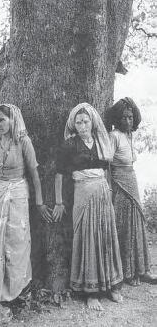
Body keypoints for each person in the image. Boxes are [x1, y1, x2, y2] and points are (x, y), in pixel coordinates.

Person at [0, 104, 50, 320]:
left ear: (13, 120)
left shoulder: (23, 141)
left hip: (17, 193)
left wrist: (39, 201)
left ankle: (14, 295)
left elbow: (34, 173)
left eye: (2, 120)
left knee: (15, 243)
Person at [54, 103, 123, 311]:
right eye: (78, 122)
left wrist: (109, 191)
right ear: (73, 124)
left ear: (93, 122)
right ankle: (91, 293)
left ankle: (111, 285)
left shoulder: (102, 142)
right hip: (83, 192)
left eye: (85, 121)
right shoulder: (70, 145)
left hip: (103, 193)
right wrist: (59, 201)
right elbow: (59, 174)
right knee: (87, 237)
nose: (82, 125)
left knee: (106, 235)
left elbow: (107, 170)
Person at [106, 97, 156, 286]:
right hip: (120, 184)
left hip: (132, 181)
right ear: (117, 119)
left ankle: (142, 270)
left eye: (131, 117)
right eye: (125, 118)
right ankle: (127, 272)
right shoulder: (115, 136)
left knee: (137, 224)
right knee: (125, 225)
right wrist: (111, 187)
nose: (128, 121)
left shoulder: (128, 136)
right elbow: (108, 165)